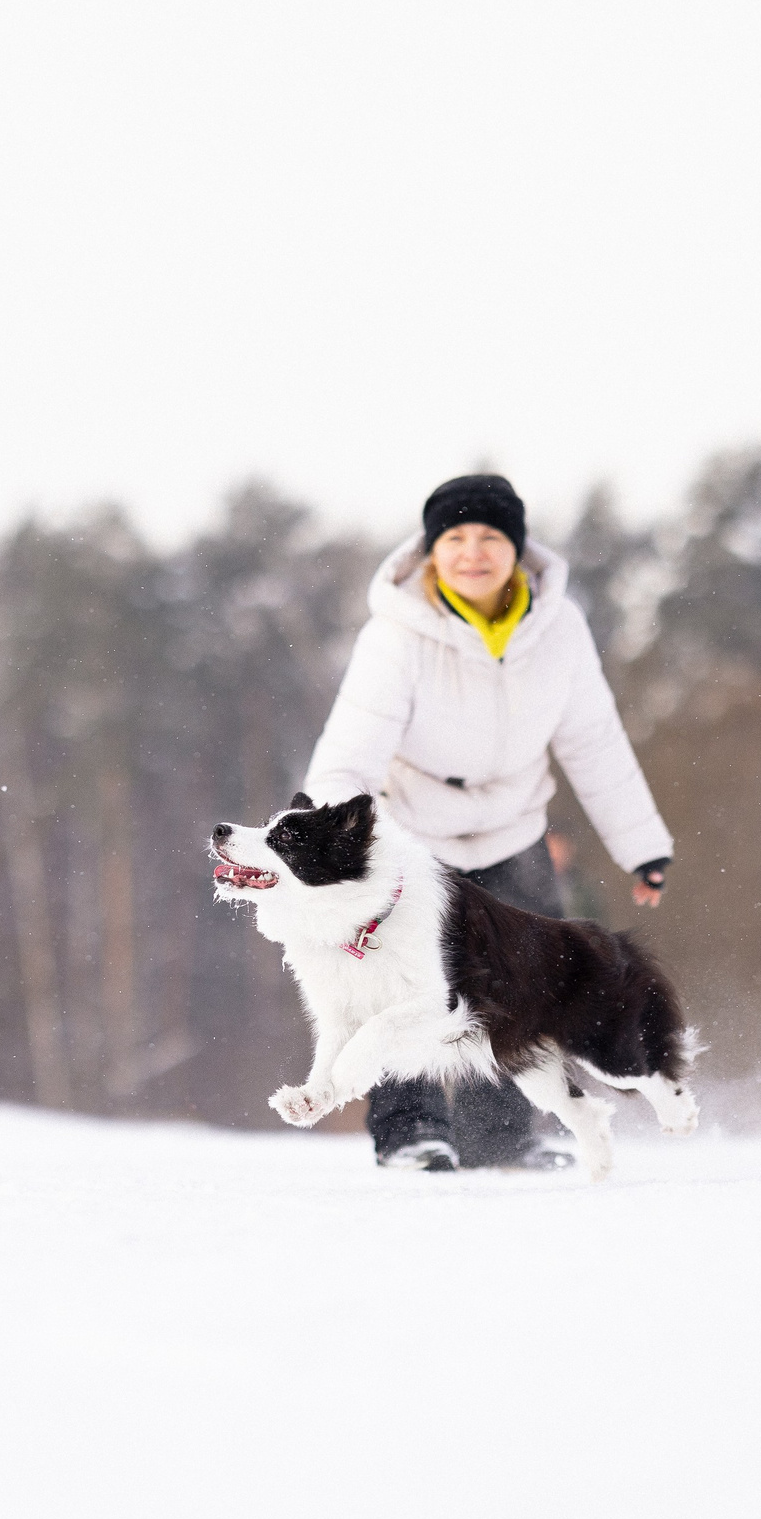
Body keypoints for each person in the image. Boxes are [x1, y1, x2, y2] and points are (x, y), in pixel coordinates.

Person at [302, 473, 673, 1171]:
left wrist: (642, 847)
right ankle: (411, 1133)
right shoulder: (397, 636)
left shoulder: (558, 628)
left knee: (523, 982)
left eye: (490, 538)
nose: (473, 552)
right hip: (410, 831)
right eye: (456, 539)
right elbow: (348, 754)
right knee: (397, 981)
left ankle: (502, 1137)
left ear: (517, 549)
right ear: (433, 552)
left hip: (512, 824)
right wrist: (326, 853)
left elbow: (594, 741)